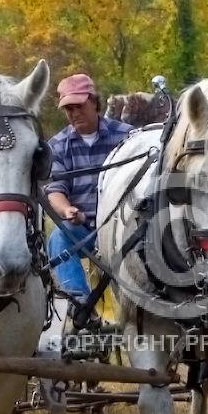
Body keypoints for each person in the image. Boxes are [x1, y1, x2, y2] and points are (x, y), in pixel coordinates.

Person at [44, 73, 132, 311]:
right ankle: (81, 305)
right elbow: (55, 189)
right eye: (68, 108)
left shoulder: (127, 136)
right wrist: (67, 210)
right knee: (59, 238)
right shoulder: (58, 145)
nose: (74, 113)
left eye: (79, 106)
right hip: (84, 227)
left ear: (94, 101)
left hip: (126, 226)